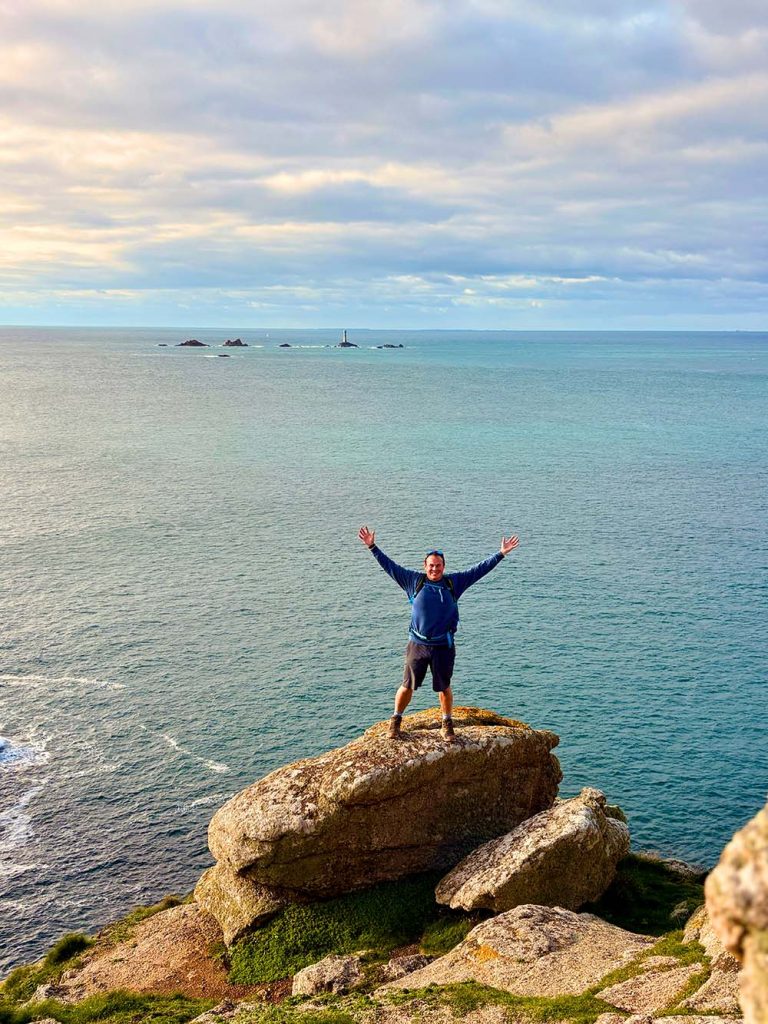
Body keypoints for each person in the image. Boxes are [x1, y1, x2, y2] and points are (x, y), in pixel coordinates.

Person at [357, 526, 519, 741]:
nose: (435, 569)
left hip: (443, 645)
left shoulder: (453, 583)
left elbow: (478, 570)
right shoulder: (413, 581)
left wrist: (500, 554)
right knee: (407, 685)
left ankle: (447, 723)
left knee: (444, 687)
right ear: (425, 566)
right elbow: (390, 566)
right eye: (431, 565)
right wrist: (372, 547)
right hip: (418, 644)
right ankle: (395, 721)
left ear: (444, 566)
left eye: (438, 566)